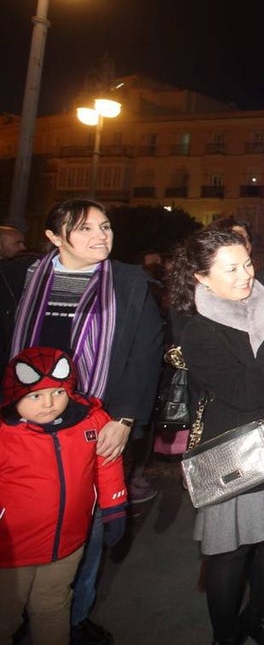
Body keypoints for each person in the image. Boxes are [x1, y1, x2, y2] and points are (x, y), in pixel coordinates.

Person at [4, 199, 163, 645]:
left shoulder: (129, 282)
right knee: (17, 519)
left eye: (105, 226)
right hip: (20, 427)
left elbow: (145, 354)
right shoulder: (19, 278)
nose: (101, 236)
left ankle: (73, 615)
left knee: (86, 526)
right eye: (85, 228)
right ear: (54, 238)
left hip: (93, 423)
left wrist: (125, 419)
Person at [168, 226, 264, 645]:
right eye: (231, 269)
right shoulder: (200, 330)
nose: (246, 275)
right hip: (235, 452)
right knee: (230, 552)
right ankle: (225, 634)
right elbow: (246, 393)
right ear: (201, 277)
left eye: (247, 263)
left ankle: (259, 618)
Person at [0, 348, 128, 645]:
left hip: (67, 543)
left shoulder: (90, 421)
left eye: (58, 392)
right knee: (6, 613)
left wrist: (115, 507)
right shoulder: (5, 434)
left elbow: (107, 465)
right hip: (12, 551)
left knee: (53, 604)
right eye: (34, 396)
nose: (48, 403)